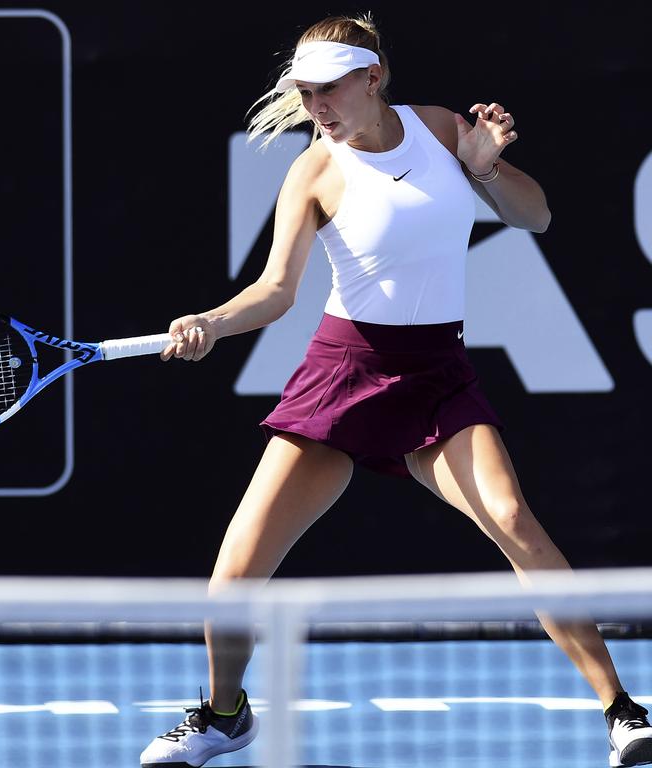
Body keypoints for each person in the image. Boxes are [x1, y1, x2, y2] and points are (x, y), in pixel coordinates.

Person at [139, 12, 652, 768]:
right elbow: (277, 290)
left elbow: (535, 216)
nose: (315, 107)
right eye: (304, 94)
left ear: (371, 77)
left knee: (515, 521)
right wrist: (211, 322)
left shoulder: (444, 130)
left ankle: (623, 712)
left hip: (435, 376)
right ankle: (223, 714)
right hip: (342, 372)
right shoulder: (313, 169)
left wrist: (484, 168)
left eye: (327, 90)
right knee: (235, 573)